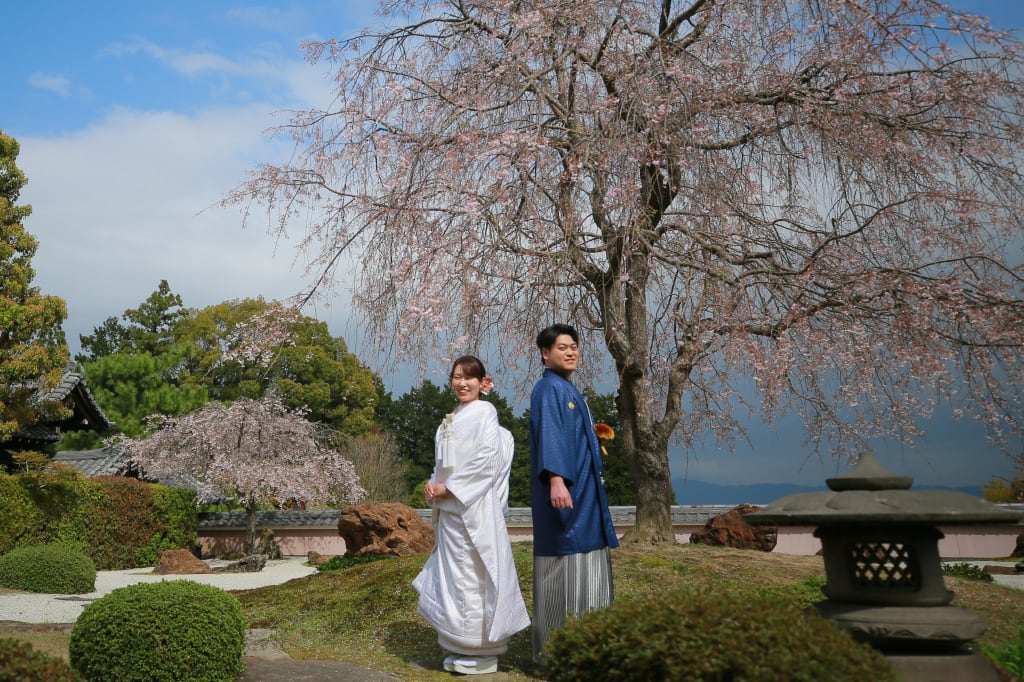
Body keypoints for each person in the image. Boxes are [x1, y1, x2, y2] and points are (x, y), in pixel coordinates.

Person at [413, 355, 530, 676]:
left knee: (474, 576)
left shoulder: (485, 413)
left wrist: (449, 488)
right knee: (453, 578)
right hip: (450, 513)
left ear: (482, 382)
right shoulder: (451, 417)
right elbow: (445, 463)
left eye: (469, 377)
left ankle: (482, 649)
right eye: (456, 377)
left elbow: (485, 462)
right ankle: (457, 643)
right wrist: (434, 484)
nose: (462, 383)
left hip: (473, 509)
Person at [528, 324, 619, 664]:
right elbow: (550, 435)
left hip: (583, 496)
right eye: (562, 347)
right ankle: (556, 656)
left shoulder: (567, 389)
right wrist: (555, 480)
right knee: (562, 565)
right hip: (566, 495)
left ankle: (589, 651)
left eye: (574, 346)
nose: (571, 352)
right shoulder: (547, 389)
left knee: (585, 563)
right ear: (545, 353)